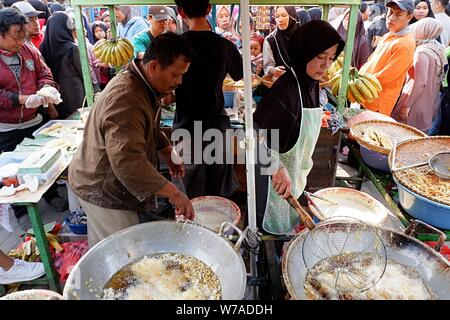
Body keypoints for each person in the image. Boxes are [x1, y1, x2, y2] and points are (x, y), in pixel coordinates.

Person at [68, 33, 195, 247]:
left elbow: (148, 126)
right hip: (103, 187)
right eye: (175, 74)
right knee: (123, 251)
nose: (179, 82)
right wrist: (174, 193)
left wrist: (166, 150)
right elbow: (128, 163)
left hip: (112, 182)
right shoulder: (126, 98)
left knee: (118, 246)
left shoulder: (143, 83)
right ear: (154, 66)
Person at [253, 20, 345, 234]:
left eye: (331, 58)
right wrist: (274, 166)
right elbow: (250, 137)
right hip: (271, 190)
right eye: (321, 57)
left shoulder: (311, 85)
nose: (326, 65)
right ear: (305, 51)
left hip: (294, 181)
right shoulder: (286, 91)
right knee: (269, 237)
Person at [173, 0, 243, 199]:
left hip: (186, 127)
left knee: (187, 193)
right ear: (209, 9)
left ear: (180, 11)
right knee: (217, 191)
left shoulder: (175, 46)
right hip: (216, 127)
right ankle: (217, 229)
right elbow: (239, 75)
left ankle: (190, 229)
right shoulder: (225, 46)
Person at [0, 8, 66, 214]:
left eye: (23, 35)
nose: (20, 41)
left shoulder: (29, 50)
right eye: (15, 36)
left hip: (34, 121)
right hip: (6, 126)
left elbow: (44, 73)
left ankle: (51, 194)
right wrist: (21, 99)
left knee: (42, 160)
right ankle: (21, 210)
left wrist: (46, 88)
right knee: (13, 170)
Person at [359, 0, 415, 116]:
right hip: (365, 97)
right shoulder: (388, 35)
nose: (391, 18)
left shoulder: (405, 44)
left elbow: (386, 77)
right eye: (390, 12)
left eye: (399, 14)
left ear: (409, 17)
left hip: (377, 103)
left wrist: (359, 83)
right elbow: (371, 60)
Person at [392, 18, 446, 133]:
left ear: (424, 30)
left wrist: (407, 106)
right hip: (431, 103)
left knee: (403, 137)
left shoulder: (422, 52)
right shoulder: (438, 48)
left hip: (415, 103)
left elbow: (420, 82)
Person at [40, 12, 86, 118]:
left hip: (54, 94)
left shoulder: (43, 47)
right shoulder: (72, 48)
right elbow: (83, 72)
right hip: (75, 93)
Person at [263, 6, 299, 78]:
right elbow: (267, 67)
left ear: (292, 16)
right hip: (282, 82)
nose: (280, 20)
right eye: (277, 16)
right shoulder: (271, 40)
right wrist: (273, 70)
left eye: (284, 15)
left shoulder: (303, 35)